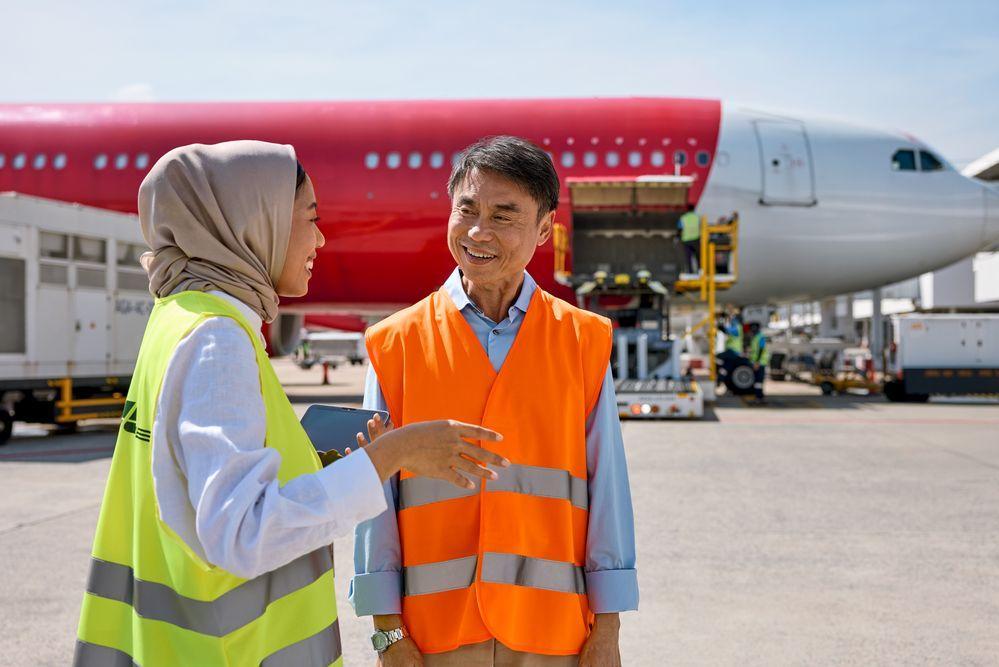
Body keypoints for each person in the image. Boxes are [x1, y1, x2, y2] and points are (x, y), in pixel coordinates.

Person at [73, 141, 508, 667]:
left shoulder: (178, 316)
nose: (321, 238)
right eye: (309, 218)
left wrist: (311, 459)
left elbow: (193, 492)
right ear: (256, 221)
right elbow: (242, 534)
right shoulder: (218, 340)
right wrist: (393, 454)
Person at [352, 136, 638, 667]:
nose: (478, 232)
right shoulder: (396, 343)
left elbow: (608, 489)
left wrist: (609, 627)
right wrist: (387, 633)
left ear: (544, 229)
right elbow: (375, 500)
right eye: (467, 209)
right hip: (434, 637)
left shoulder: (583, 340)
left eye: (504, 215)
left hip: (553, 634)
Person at [748, 321, 771, 403]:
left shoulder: (760, 337)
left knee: (759, 381)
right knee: (757, 382)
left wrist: (757, 362)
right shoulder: (755, 337)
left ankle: (759, 397)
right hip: (756, 362)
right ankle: (758, 397)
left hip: (760, 363)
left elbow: (761, 350)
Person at [677, 204, 701, 273]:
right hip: (696, 239)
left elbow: (679, 228)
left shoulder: (683, 218)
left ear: (686, 210)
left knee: (688, 257)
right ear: (693, 209)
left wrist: (678, 237)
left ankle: (690, 271)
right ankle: (700, 270)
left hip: (686, 240)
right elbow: (701, 227)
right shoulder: (697, 217)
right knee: (698, 256)